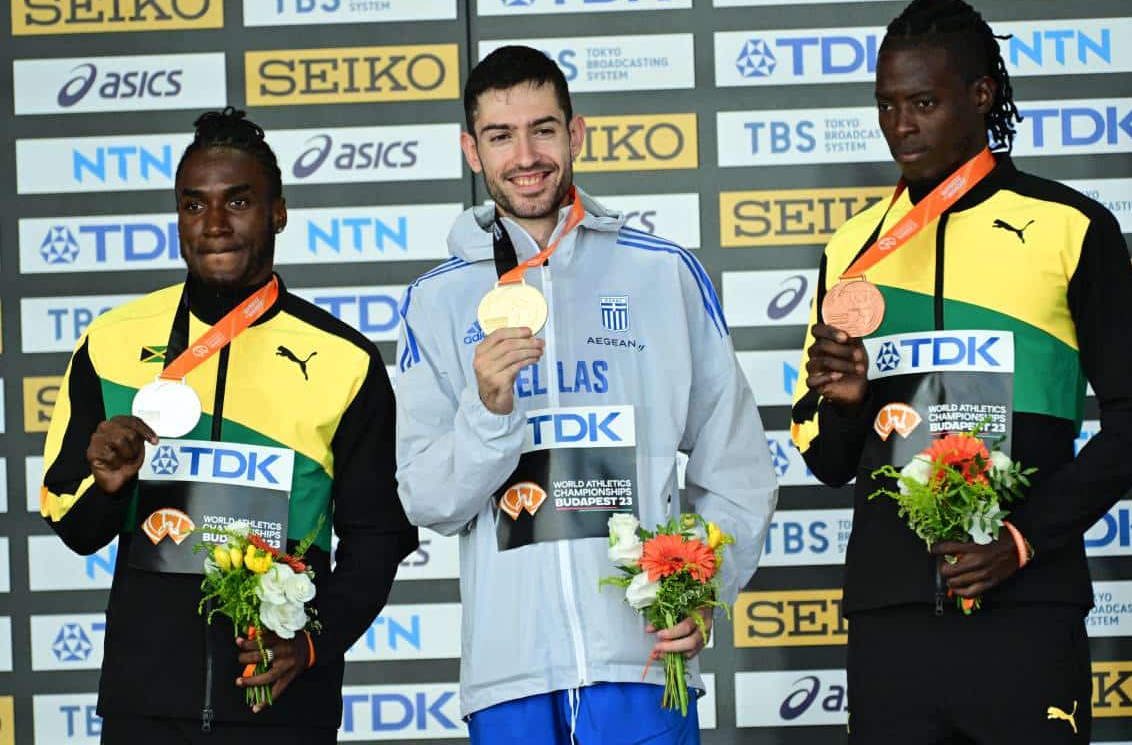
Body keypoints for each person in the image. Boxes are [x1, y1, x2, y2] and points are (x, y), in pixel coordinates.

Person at [791, 0, 1132, 744]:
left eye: (924, 102)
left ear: (982, 94)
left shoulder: (1071, 227)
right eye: (887, 105)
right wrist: (846, 404)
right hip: (891, 616)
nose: (901, 125)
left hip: (1027, 605)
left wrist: (1022, 540)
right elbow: (828, 462)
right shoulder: (853, 248)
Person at [394, 45, 777, 744]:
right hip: (510, 676)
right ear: (472, 151)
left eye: (542, 130)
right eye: (500, 136)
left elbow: (737, 467)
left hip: (644, 660)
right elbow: (427, 499)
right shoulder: (437, 299)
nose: (525, 156)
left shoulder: (663, 275)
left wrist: (703, 588)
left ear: (576, 133)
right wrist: (488, 410)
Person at [40, 107, 416, 744]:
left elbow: (378, 538)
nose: (214, 225)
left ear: (279, 213)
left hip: (282, 703)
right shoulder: (110, 343)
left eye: (238, 201)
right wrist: (107, 487)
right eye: (194, 205)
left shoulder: (345, 360)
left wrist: (312, 644)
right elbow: (72, 526)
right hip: (145, 707)